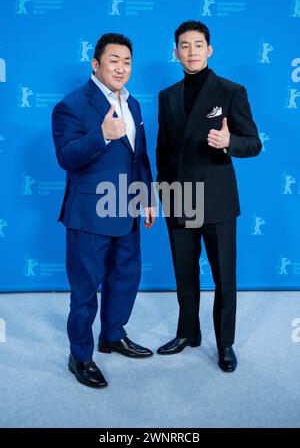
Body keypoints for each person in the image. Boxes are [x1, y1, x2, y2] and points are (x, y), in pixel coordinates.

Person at [156, 20, 261, 372]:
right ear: (175, 52)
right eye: (184, 45)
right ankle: (188, 332)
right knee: (184, 274)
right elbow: (162, 150)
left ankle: (225, 344)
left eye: (198, 45)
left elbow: (254, 143)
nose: (191, 51)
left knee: (223, 278)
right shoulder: (167, 96)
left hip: (215, 197)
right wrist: (162, 193)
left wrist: (229, 142)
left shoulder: (231, 91)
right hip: (178, 195)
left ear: (209, 49)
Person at [52, 33, 156, 388]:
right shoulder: (71, 105)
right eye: (114, 61)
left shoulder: (135, 105)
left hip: (126, 209)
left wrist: (148, 196)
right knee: (84, 292)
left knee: (126, 279)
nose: (121, 68)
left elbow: (139, 158)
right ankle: (80, 356)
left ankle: (112, 334)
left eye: (127, 62)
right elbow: (66, 156)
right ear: (96, 64)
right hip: (89, 216)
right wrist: (102, 136)